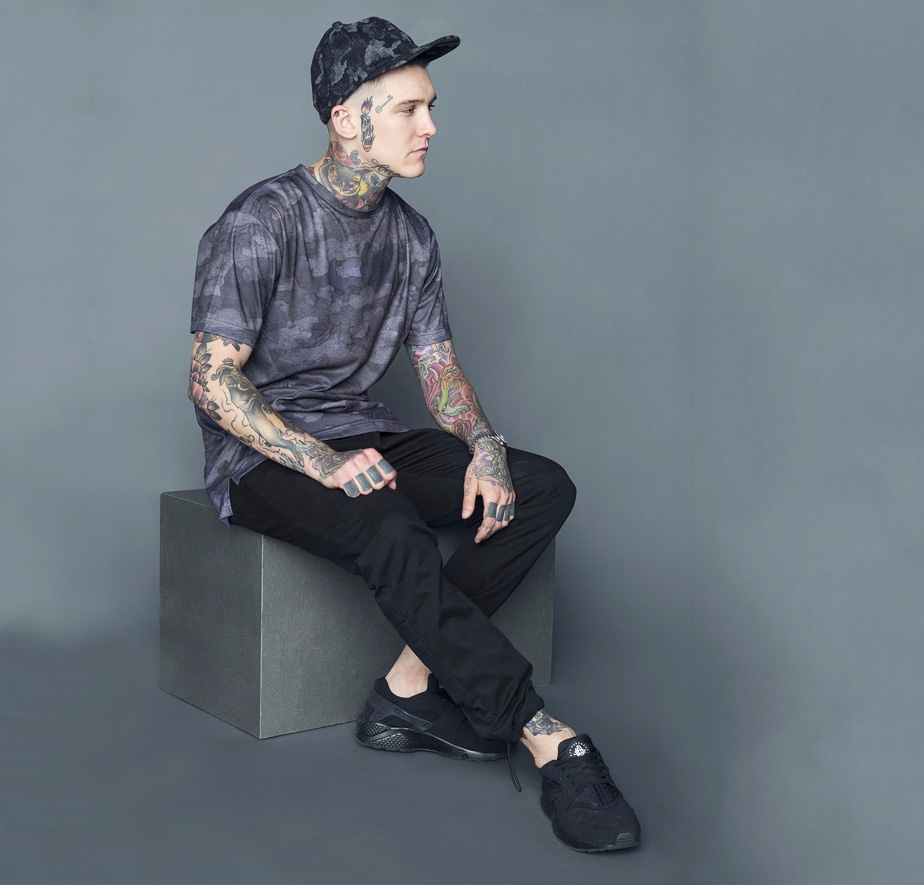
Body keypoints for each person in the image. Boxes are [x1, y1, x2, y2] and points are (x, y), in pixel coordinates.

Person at [186, 17, 640, 853]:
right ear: (344, 118)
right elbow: (212, 381)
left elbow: (438, 371)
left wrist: (486, 449)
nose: (430, 126)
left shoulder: (412, 236)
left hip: (365, 432)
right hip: (262, 457)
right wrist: (322, 461)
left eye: (430, 107)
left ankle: (405, 687)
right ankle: (546, 735)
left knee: (542, 485)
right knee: (391, 525)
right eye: (408, 109)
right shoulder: (261, 220)